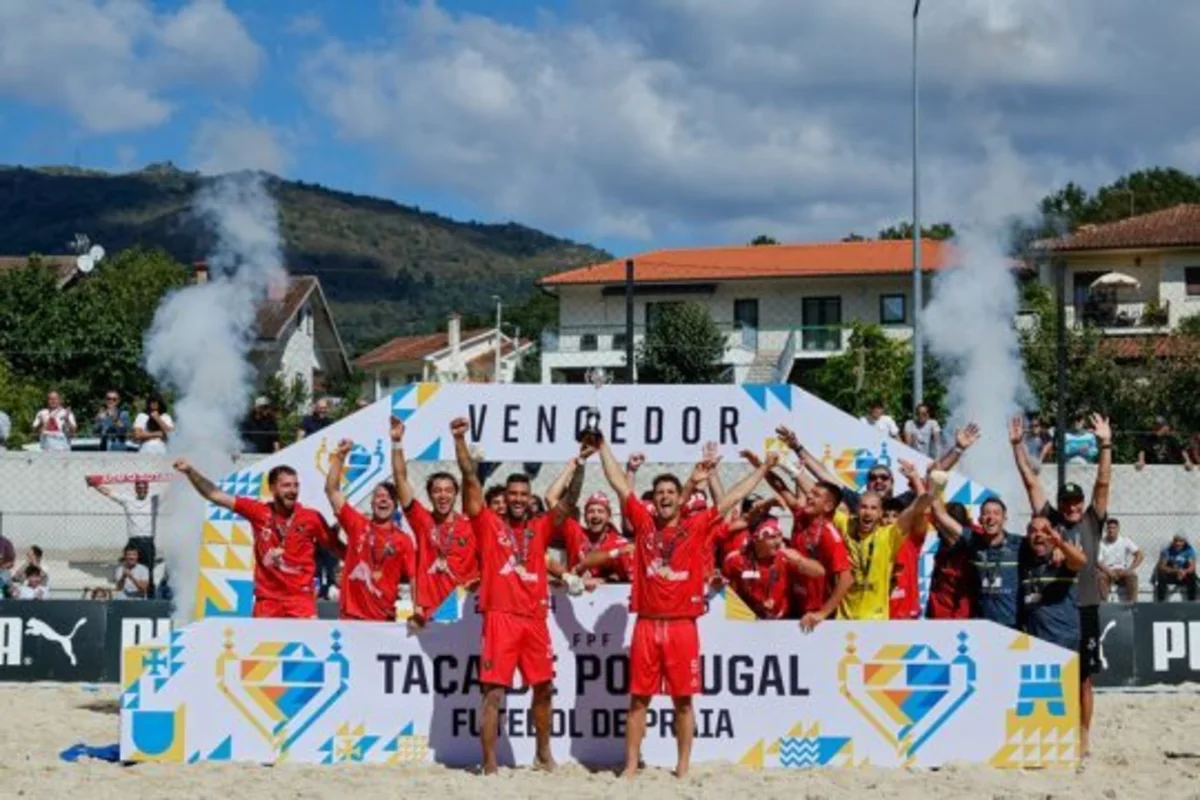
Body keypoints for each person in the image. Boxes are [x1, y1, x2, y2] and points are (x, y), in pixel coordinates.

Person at [595, 439, 772, 779]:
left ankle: (683, 767)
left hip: (682, 626)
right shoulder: (644, 525)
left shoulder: (697, 525)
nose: (663, 497)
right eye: (658, 492)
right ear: (653, 499)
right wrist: (602, 444)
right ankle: (631, 767)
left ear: (681, 499)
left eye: (670, 492)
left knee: (683, 702)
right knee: (638, 701)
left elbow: (733, 498)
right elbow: (617, 481)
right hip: (647, 624)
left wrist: (762, 469)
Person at [449, 417, 580, 775]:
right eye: (513, 495)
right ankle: (490, 765)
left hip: (535, 620)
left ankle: (543, 754)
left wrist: (579, 465)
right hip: (500, 618)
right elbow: (470, 479)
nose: (519, 500)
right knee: (493, 694)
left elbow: (569, 504)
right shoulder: (489, 524)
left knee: (544, 688)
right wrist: (460, 440)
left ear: (530, 499)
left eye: (524, 495)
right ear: (505, 499)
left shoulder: (538, 529)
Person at [1011, 413, 1112, 757]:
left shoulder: (1091, 523)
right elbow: (1030, 484)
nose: (1071, 507)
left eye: (1075, 502)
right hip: (1052, 606)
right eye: (1066, 502)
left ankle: (1083, 737)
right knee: (1048, 672)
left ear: (1081, 505)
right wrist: (1016, 448)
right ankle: (1052, 730)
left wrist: (1105, 444)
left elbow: (1102, 484)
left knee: (1083, 677)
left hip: (1085, 607)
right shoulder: (1050, 521)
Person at [173, 459, 335, 618]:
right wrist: (190, 471)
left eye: (295, 485)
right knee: (265, 645)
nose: (293, 490)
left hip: (301, 601)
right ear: (272, 488)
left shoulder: (311, 517)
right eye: (286, 485)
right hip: (268, 601)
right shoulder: (258, 511)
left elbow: (337, 547)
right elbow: (214, 494)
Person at [391, 416, 479, 623]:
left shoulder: (471, 524)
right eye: (437, 491)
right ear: (430, 496)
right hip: (430, 614)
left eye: (448, 491)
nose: (443, 495)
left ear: (456, 494)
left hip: (464, 614)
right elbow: (400, 478)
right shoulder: (423, 521)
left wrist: (459, 440)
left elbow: (469, 476)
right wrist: (396, 442)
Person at [324, 438, 416, 622]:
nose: (383, 500)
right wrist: (340, 457)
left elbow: (414, 578)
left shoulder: (403, 540)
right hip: (351, 617)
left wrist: (419, 611)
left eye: (389, 497)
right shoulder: (357, 524)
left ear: (395, 505)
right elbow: (332, 490)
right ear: (372, 503)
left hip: (384, 620)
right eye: (379, 496)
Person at [836, 461, 934, 621]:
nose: (889, 520)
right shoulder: (868, 537)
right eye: (886, 516)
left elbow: (923, 508)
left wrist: (916, 478)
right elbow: (829, 495)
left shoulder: (910, 540)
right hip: (877, 615)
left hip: (905, 616)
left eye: (895, 516)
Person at [930, 495, 1023, 630]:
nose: (991, 517)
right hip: (981, 627)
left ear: (1004, 519)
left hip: (1012, 628)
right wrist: (934, 479)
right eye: (986, 513)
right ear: (980, 519)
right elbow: (941, 515)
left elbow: (1043, 539)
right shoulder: (972, 540)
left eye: (996, 513)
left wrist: (1058, 549)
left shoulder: (1019, 544)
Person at [721, 517, 824, 619]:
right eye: (772, 537)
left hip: (780, 622)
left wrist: (800, 561)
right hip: (748, 621)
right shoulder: (735, 560)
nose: (778, 542)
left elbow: (820, 572)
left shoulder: (786, 557)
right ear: (756, 539)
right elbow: (727, 596)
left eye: (779, 536)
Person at [1019, 516, 1088, 651]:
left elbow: (1081, 561)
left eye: (1045, 531)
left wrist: (1060, 544)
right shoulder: (1024, 558)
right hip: (1033, 639)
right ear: (1027, 536)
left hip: (1062, 640)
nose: (1038, 534)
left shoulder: (1063, 559)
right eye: (1033, 531)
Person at [86, 477, 159, 586]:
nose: (141, 490)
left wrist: (182, 477)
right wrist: (95, 484)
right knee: (128, 569)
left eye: (144, 488)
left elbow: (172, 494)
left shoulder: (154, 500)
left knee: (148, 571)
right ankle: (128, 593)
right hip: (133, 541)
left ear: (148, 489)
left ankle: (149, 598)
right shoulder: (127, 500)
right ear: (135, 489)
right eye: (139, 488)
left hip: (148, 541)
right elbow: (108, 493)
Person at [564, 492, 635, 584]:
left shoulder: (620, 544)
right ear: (585, 517)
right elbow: (551, 501)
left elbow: (629, 580)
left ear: (609, 517)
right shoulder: (575, 533)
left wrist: (604, 580)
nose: (595, 516)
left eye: (600, 511)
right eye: (591, 511)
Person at [925, 501, 977, 620]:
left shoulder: (973, 547)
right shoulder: (943, 548)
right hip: (937, 618)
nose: (937, 527)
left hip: (959, 621)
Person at [1097, 518, 1142, 603]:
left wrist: (1129, 569)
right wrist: (1109, 571)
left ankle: (1132, 604)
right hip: (1107, 570)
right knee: (1100, 577)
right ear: (1106, 530)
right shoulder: (1101, 543)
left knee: (1132, 575)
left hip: (1122, 570)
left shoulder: (1125, 541)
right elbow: (1098, 561)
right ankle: (1103, 605)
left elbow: (1139, 555)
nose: (1111, 530)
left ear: (1118, 529)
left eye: (1114, 528)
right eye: (1109, 528)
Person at [1155, 535, 1197, 601]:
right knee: (1161, 574)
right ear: (1173, 541)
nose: (1178, 543)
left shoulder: (1189, 550)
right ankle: (1161, 601)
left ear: (1185, 542)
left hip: (1184, 576)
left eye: (1181, 541)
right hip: (1172, 575)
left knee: (1192, 575)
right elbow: (1162, 567)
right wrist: (1177, 571)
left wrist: (1184, 571)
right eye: (1176, 541)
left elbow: (1192, 567)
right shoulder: (1167, 550)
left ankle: (1192, 601)